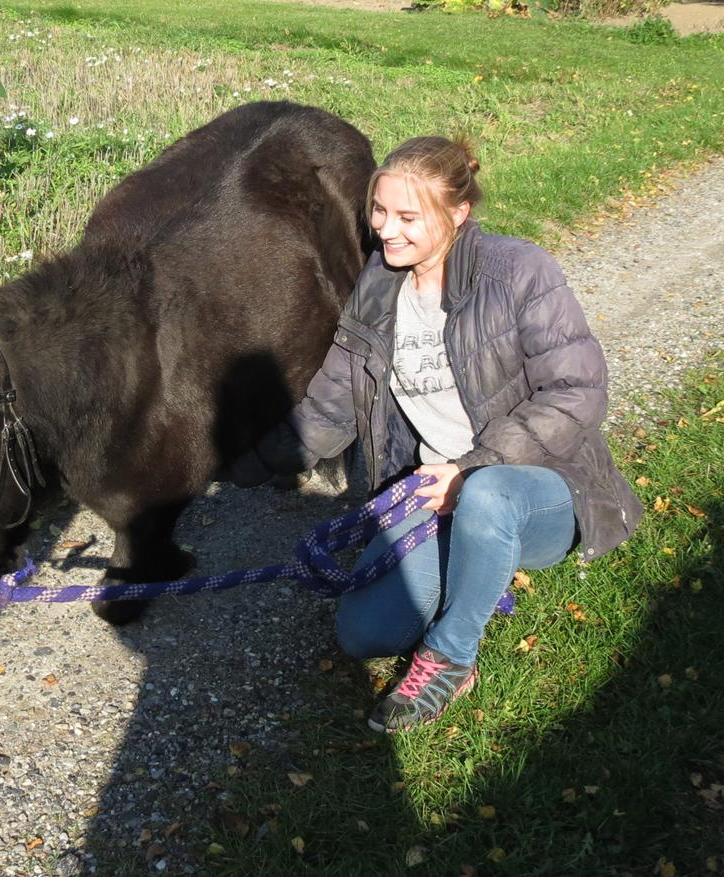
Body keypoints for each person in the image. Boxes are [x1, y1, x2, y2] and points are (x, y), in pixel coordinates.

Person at [230, 136, 643, 733]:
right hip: (430, 493)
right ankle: (475, 570)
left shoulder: (519, 271)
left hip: (537, 489)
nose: (386, 231)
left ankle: (451, 655)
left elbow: (578, 393)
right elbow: (330, 405)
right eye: (379, 212)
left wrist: (473, 467)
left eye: (406, 216)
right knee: (361, 634)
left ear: (458, 213)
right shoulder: (377, 287)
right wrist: (234, 466)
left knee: (487, 495)